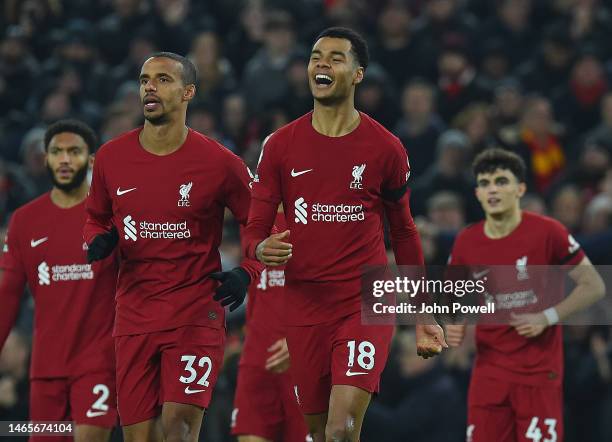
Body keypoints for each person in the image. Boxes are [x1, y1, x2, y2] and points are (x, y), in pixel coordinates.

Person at [243, 27, 447, 441]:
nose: (322, 63)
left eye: (336, 57)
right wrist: (260, 247)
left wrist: (423, 311)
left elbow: (404, 232)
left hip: (364, 300)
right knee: (317, 434)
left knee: (341, 428)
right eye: (316, 56)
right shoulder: (280, 146)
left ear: (358, 74)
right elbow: (254, 229)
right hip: (304, 305)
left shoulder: (385, 148)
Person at [83, 52, 261, 442]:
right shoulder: (112, 157)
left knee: (179, 428)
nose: (150, 86)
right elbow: (95, 217)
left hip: (195, 313)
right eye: (145, 79)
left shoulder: (219, 162)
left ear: (188, 92)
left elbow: (264, 221)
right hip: (133, 316)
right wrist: (98, 239)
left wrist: (247, 272)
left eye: (163, 79)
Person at [446, 148, 606, 442]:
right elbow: (457, 295)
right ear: (478, 194)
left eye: (501, 181)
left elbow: (594, 285)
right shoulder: (467, 241)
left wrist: (547, 316)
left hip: (537, 372)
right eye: (484, 183)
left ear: (520, 189)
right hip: (489, 372)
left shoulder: (548, 232)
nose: (492, 189)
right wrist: (457, 323)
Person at [0, 119, 118, 442]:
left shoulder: (112, 219)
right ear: (46, 159)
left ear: (91, 160)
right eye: (56, 152)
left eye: (74, 152)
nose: (64, 160)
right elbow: (7, 295)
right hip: (46, 370)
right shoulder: (24, 220)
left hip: (98, 364)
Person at [231, 208, 310, 442]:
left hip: (308, 357)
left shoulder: (328, 206)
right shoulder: (251, 209)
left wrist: (306, 336)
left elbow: (365, 289)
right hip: (257, 353)